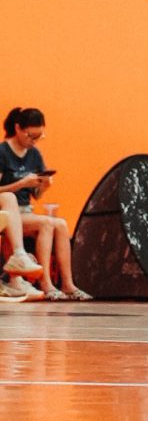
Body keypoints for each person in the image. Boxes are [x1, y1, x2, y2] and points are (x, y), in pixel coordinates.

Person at [0, 109, 86, 300]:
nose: (34, 141)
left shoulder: (34, 154)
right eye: (31, 136)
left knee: (61, 224)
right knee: (46, 223)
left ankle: (68, 284)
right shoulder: (3, 152)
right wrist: (20, 183)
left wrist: (43, 186)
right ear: (18, 129)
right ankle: (46, 284)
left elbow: (35, 195)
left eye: (39, 137)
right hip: (8, 211)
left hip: (26, 211)